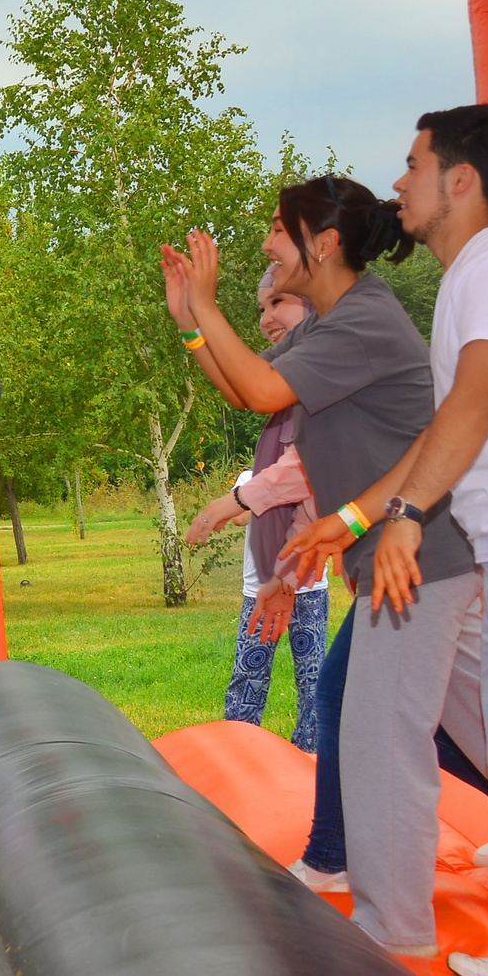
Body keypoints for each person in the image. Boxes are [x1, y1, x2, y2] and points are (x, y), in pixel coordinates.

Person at [283, 104, 488, 976]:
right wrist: (355, 518)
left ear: (460, 179)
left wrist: (410, 517)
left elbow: (472, 406)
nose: (400, 182)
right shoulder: (468, 280)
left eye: (413, 164)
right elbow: (436, 433)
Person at [165, 180, 484, 960]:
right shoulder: (336, 324)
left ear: (324, 243)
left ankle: (394, 928)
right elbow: (251, 391)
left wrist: (208, 306)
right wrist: (192, 328)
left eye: (279, 229)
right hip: (410, 560)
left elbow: (264, 387)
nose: (269, 244)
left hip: (422, 557)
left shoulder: (365, 319)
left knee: (383, 739)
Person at [181, 267, 329, 753]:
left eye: (278, 303)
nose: (266, 319)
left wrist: (236, 499)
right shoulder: (287, 383)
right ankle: (242, 749)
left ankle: (312, 752)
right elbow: (240, 386)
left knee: (319, 681)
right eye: (261, 308)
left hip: (312, 580)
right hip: (276, 582)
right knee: (252, 673)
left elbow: (307, 469)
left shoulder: (325, 375)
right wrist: (191, 329)